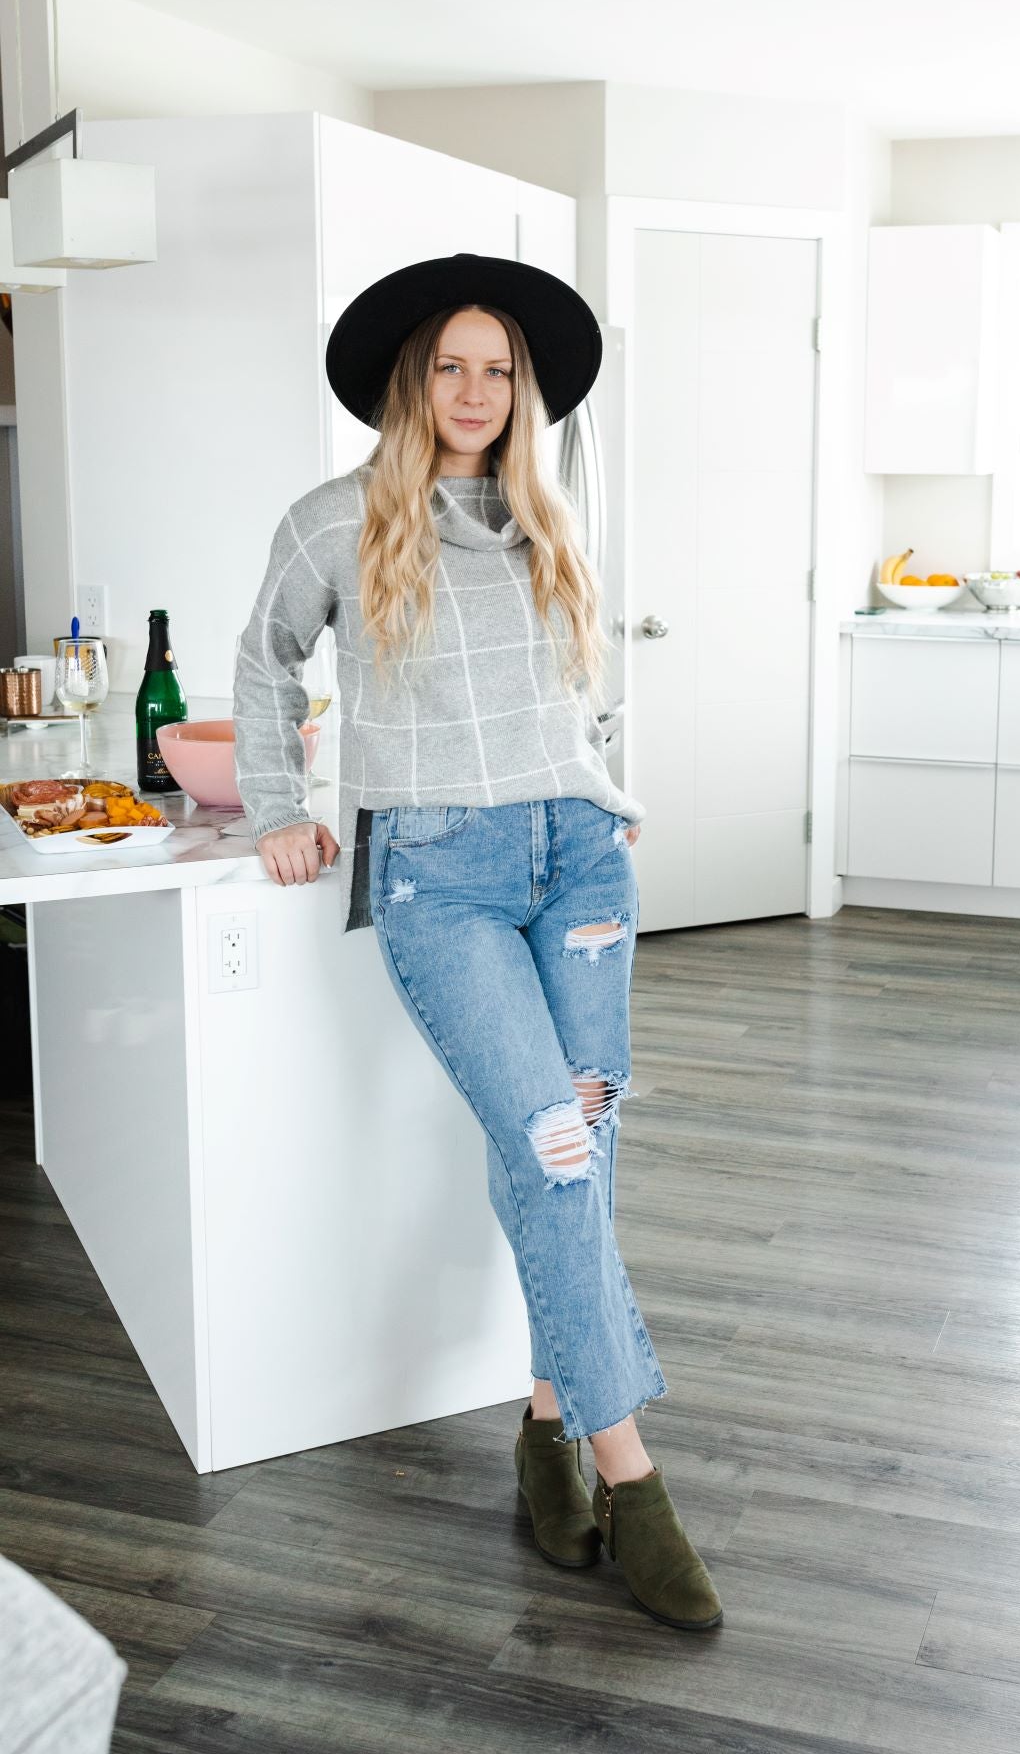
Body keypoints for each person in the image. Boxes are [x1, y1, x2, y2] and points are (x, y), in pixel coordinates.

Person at [232, 253, 722, 1632]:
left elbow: (577, 698)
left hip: (578, 862)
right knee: (554, 1151)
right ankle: (629, 1478)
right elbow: (264, 662)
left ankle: (547, 1426)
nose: (473, 390)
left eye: (497, 367)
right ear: (409, 379)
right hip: (437, 873)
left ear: (525, 389)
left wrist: (609, 802)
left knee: (579, 1147)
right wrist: (277, 806)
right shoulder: (332, 522)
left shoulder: (545, 521)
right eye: (448, 365)